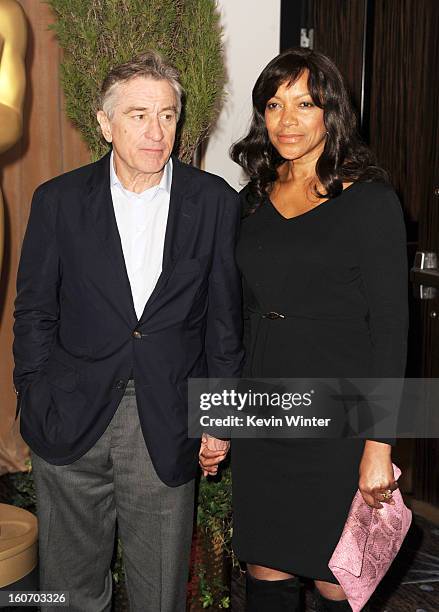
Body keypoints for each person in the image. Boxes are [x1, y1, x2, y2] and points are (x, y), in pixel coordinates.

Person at [13, 51, 242, 612]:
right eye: (138, 114)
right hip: (69, 416)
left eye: (166, 115)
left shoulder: (214, 203)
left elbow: (223, 323)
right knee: (67, 593)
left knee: (158, 593)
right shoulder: (58, 201)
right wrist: (35, 394)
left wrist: (219, 419)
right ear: (104, 123)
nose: (155, 130)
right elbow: (34, 312)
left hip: (163, 421)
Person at [229, 47, 408, 611]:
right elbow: (234, 319)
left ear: (331, 112)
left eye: (305, 104)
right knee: (267, 575)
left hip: (341, 424)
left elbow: (392, 329)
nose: (287, 120)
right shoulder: (250, 202)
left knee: (338, 581)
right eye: (275, 105)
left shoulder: (372, 203)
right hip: (265, 414)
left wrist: (379, 446)